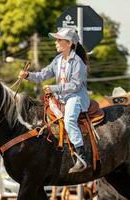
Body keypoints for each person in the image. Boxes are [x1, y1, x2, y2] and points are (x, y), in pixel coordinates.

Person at [19, 28, 90, 173]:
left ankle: (82, 157)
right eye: (56, 40)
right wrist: (27, 75)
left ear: (69, 43)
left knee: (69, 119)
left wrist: (54, 88)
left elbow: (75, 85)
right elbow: (42, 75)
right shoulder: (57, 60)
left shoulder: (78, 62)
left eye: (59, 40)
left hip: (75, 97)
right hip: (61, 97)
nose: (56, 42)